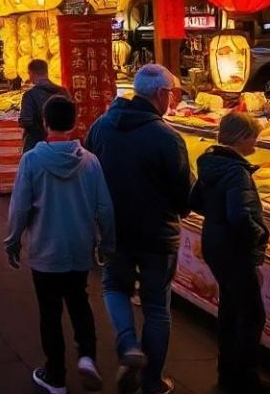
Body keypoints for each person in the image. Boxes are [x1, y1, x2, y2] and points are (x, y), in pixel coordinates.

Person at [84, 64, 191, 394]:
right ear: (161, 94)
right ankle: (153, 380)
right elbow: (183, 197)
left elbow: (89, 171)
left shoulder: (101, 126)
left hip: (114, 229)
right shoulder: (167, 137)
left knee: (115, 286)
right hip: (158, 233)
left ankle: (128, 343)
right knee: (157, 305)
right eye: (171, 94)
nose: (172, 100)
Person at [7, 95, 113, 394]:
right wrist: (108, 242)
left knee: (49, 311)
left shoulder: (31, 160)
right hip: (79, 247)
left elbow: (20, 207)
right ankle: (88, 357)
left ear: (44, 123)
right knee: (79, 301)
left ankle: (55, 375)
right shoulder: (90, 161)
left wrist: (13, 240)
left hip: (44, 249)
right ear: (74, 123)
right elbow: (104, 207)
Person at [190, 113, 270, 394]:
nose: (256, 142)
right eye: (253, 137)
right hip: (235, 249)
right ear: (240, 138)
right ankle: (246, 380)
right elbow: (239, 216)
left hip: (214, 242)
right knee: (252, 315)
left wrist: (215, 218)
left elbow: (194, 200)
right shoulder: (237, 171)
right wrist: (261, 234)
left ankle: (227, 371)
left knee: (229, 308)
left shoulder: (210, 162)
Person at [19, 59, 68, 154]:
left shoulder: (30, 95)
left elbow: (26, 121)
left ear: (32, 73)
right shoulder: (63, 92)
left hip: (36, 146)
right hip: (62, 145)